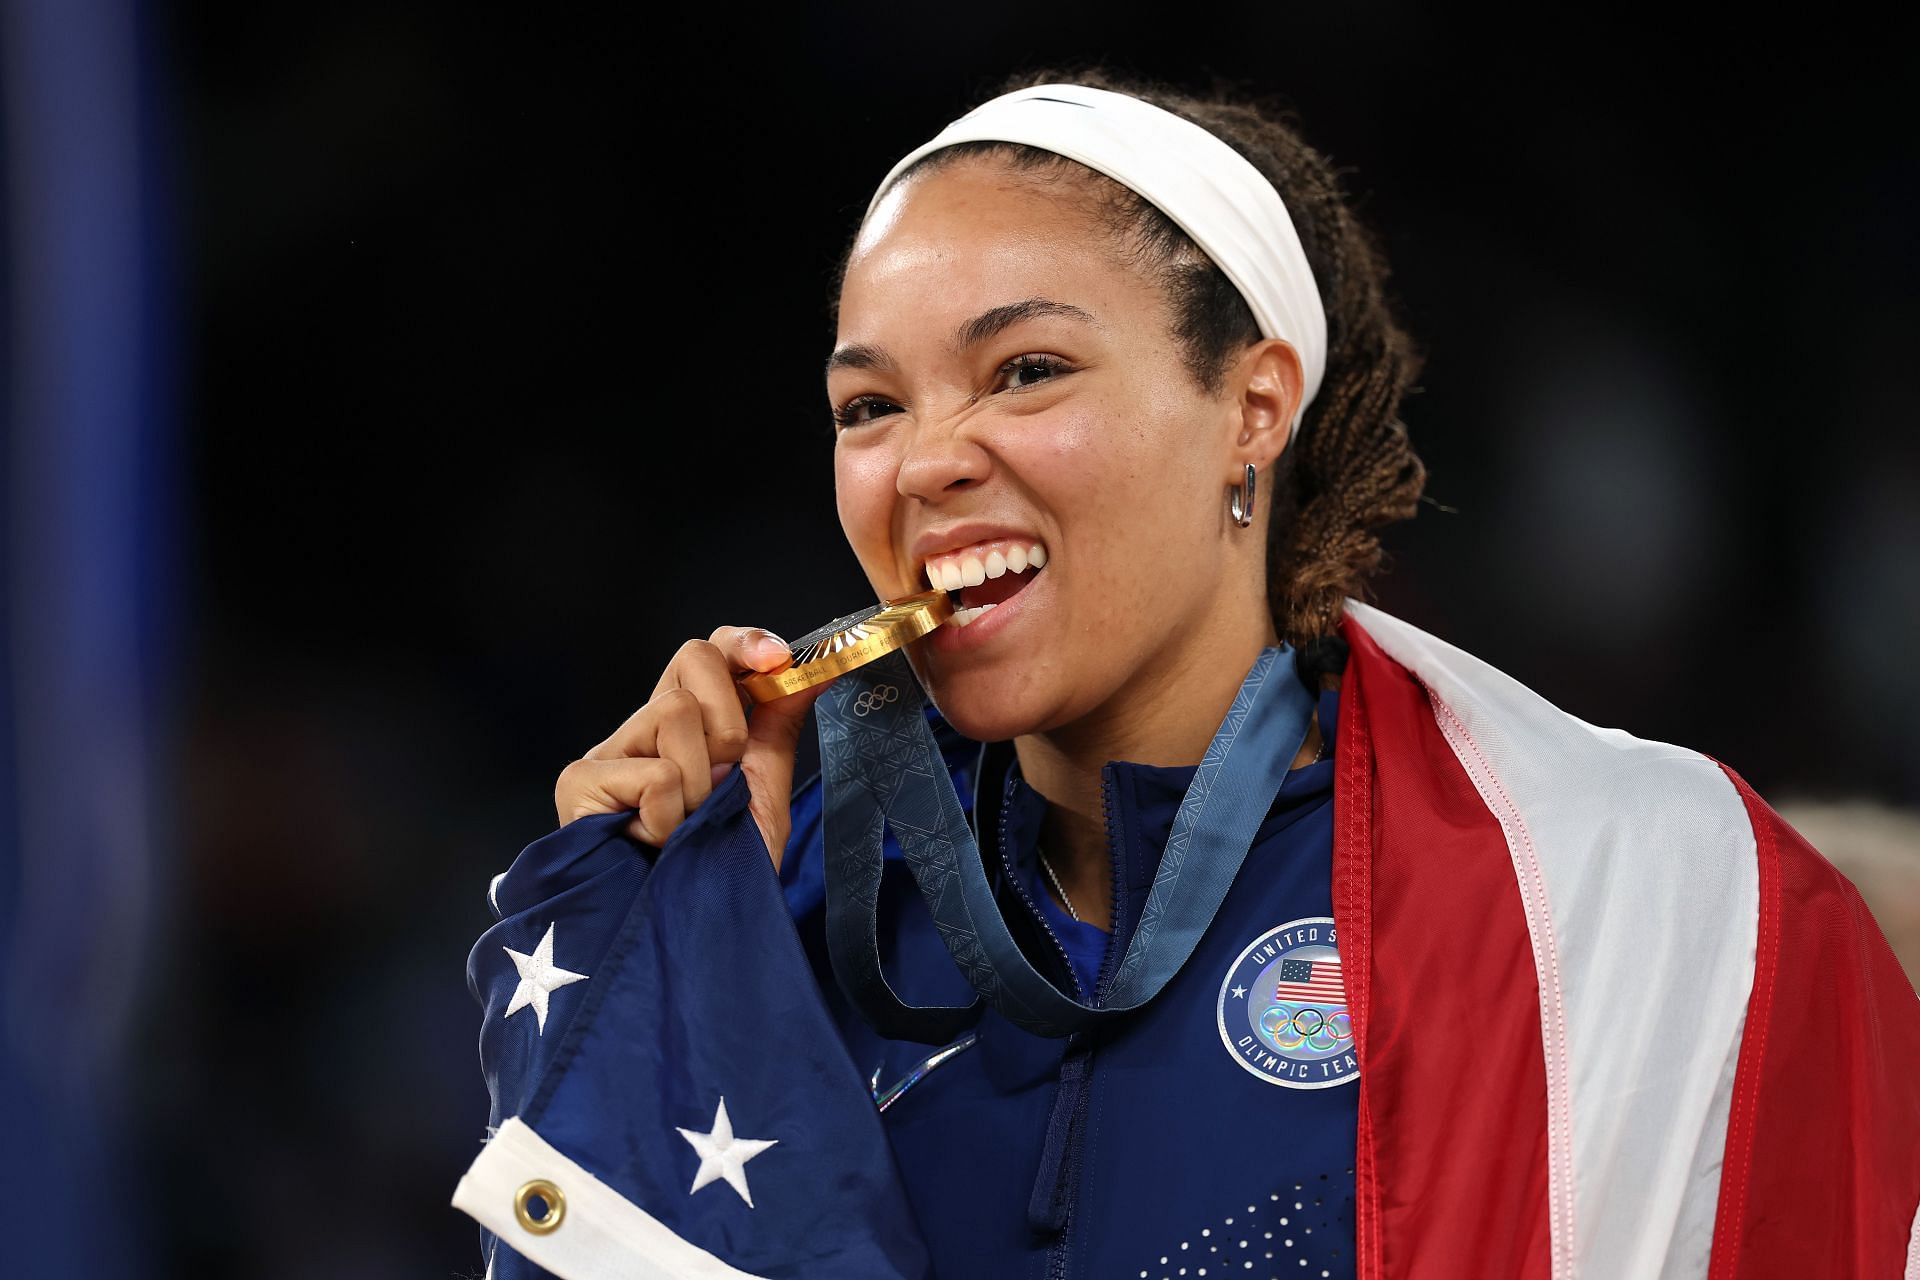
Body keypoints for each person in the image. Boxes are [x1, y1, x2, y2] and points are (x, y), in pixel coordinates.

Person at [453, 68, 1920, 1279]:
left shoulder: (1631, 904)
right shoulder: (770, 920)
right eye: (869, 403)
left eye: (1026, 370)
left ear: (1253, 406)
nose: (931, 457)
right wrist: (654, 974)